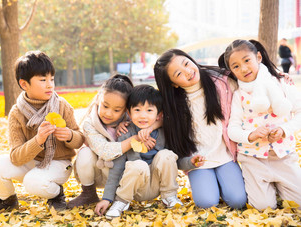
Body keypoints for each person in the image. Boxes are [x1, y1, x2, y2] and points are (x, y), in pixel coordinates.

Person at [0, 51, 85, 216]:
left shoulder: (62, 105)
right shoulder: (17, 113)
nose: (50, 85)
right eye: (43, 80)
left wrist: (70, 135)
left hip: (61, 164)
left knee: (32, 182)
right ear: (24, 84)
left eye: (51, 79)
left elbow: (79, 140)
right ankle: (7, 200)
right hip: (31, 162)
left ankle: (56, 194)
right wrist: (38, 140)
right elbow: (15, 157)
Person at [154, 49, 247, 209]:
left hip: (225, 155)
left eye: (186, 64)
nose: (188, 72)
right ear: (173, 84)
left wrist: (279, 78)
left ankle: (222, 182)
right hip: (198, 160)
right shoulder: (172, 105)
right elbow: (144, 112)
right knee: (206, 202)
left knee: (238, 201)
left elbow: (251, 84)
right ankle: (211, 184)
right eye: (178, 74)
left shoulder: (221, 82)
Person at [95, 85, 203, 218]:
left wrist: (190, 162)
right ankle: (121, 201)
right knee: (138, 164)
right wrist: (107, 198)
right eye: (137, 110)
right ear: (129, 113)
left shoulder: (164, 133)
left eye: (149, 110)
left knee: (167, 155)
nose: (143, 115)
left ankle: (169, 196)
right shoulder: (126, 133)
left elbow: (176, 162)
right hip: (135, 188)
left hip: (157, 185)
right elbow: (117, 167)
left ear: (159, 115)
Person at [219, 39, 301, 210]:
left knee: (298, 204)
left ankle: (282, 186)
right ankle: (268, 189)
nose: (243, 68)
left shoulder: (281, 83)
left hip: (283, 156)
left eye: (247, 60)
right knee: (263, 206)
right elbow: (232, 129)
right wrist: (250, 135)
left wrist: (284, 130)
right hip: (253, 159)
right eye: (236, 66)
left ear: (258, 57)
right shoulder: (238, 95)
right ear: (231, 71)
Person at [67, 74, 134, 208]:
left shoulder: (132, 120)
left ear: (125, 109)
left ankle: (119, 196)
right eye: (105, 106)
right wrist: (132, 140)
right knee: (85, 153)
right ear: (98, 99)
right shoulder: (90, 123)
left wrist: (129, 127)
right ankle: (89, 193)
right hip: (99, 172)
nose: (108, 113)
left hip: (121, 175)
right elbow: (104, 151)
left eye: (116, 110)